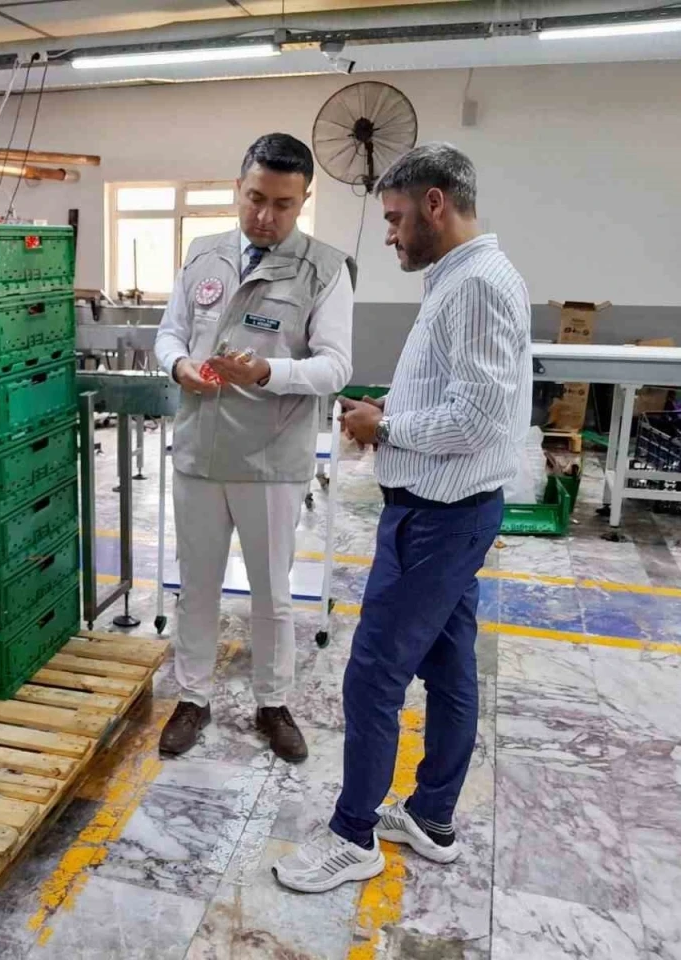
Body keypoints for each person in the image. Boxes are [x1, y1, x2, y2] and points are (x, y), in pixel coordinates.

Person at [273, 143, 531, 892]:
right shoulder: (465, 276)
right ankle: (433, 817)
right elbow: (460, 395)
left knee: (372, 677)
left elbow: (478, 420)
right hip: (449, 510)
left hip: (439, 518)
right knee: (448, 669)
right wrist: (391, 409)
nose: (388, 234)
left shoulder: (476, 285)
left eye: (394, 217)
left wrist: (384, 428)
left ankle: (352, 836)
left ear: (435, 204)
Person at [154, 133, 355, 764]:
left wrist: (269, 372)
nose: (265, 216)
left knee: (271, 591)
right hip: (199, 451)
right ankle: (193, 696)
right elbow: (169, 333)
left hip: (271, 458)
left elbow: (336, 366)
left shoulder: (324, 269)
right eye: (255, 198)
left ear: (304, 201)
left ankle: (273, 703)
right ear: (238, 188)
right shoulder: (203, 254)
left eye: (283, 204)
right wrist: (180, 365)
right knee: (197, 584)